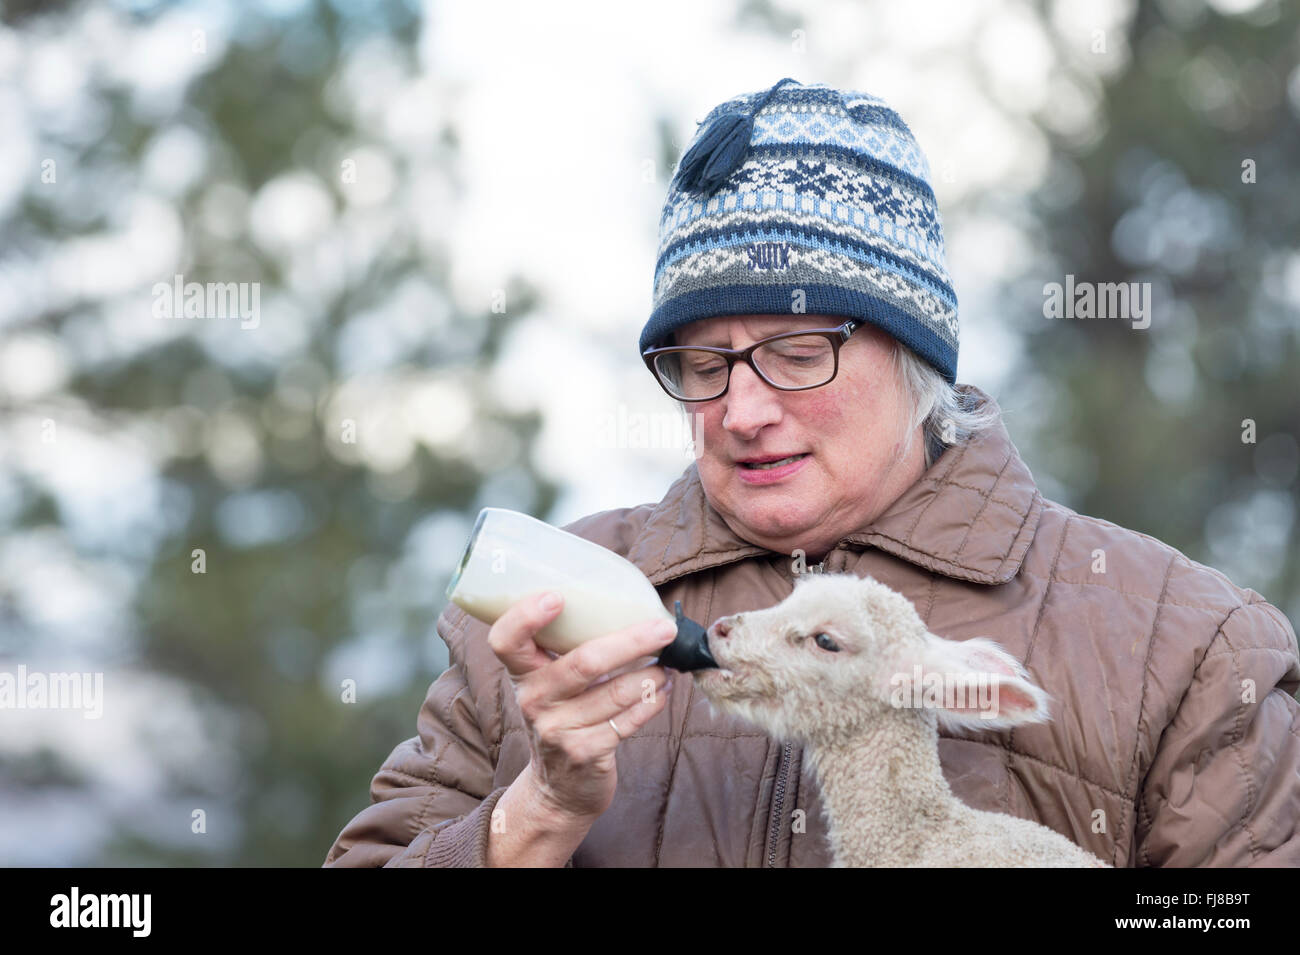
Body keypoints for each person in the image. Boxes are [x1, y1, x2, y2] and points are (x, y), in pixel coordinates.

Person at [324, 78, 1300, 867]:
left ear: (916, 358)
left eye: (797, 352)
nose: (741, 410)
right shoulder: (543, 623)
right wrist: (533, 816)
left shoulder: (1184, 647)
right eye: (701, 363)